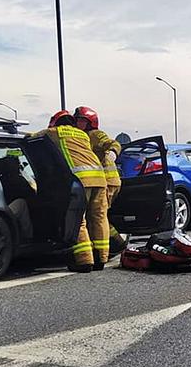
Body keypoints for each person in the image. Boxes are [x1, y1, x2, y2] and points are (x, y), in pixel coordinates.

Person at [33, 110, 108, 272]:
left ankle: (84, 261)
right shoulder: (83, 135)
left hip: (81, 180)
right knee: (99, 218)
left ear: (54, 123)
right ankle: (101, 258)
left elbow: (32, 138)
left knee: (78, 219)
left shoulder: (54, 132)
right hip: (100, 179)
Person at [73, 106, 127, 250]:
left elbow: (113, 143)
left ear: (91, 122)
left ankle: (118, 243)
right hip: (100, 181)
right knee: (96, 215)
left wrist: (112, 153)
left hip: (108, 182)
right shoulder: (79, 136)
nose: (78, 123)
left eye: (82, 121)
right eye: (77, 120)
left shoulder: (95, 135)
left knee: (98, 216)